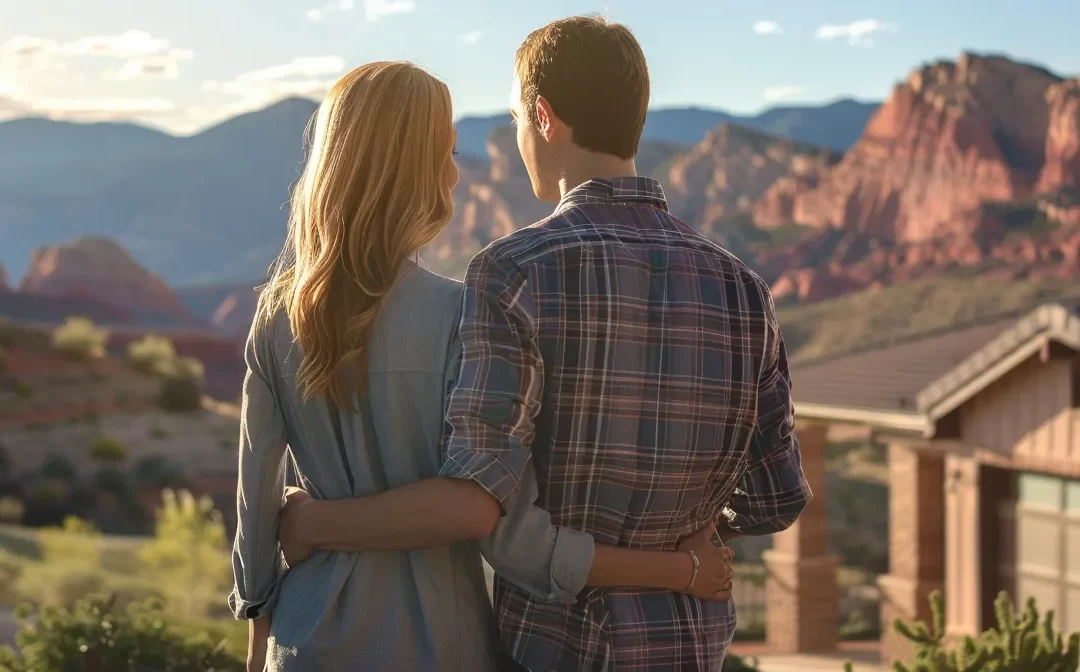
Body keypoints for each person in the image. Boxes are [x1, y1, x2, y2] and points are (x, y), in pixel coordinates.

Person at [275, 15, 813, 671]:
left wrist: (316, 524)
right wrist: (682, 548)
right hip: (685, 647)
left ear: (544, 116)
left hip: (552, 648)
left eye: (516, 121)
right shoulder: (744, 288)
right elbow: (776, 497)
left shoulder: (515, 270)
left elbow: (485, 498)